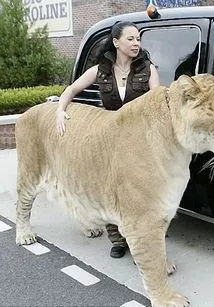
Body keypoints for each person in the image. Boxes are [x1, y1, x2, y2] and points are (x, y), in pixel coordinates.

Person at [55, 21, 160, 259]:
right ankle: (117, 239)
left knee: (139, 192)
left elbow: (157, 102)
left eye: (138, 39)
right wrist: (60, 110)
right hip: (109, 140)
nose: (136, 43)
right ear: (116, 42)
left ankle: (140, 238)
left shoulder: (148, 69)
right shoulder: (100, 70)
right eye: (130, 39)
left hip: (139, 140)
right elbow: (71, 89)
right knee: (110, 189)